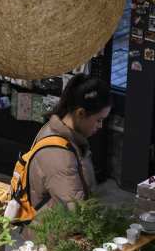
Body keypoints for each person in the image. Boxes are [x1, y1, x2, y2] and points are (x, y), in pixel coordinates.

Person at [26, 74, 112, 213]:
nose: (100, 125)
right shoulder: (60, 156)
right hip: (53, 233)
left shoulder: (64, 135)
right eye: (98, 120)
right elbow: (76, 213)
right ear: (81, 113)